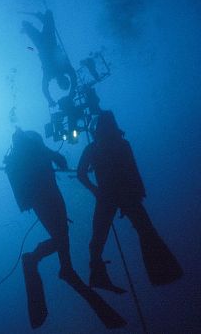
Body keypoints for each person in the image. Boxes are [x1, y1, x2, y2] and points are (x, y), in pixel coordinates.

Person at [4, 128, 126, 330]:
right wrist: (56, 158)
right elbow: (58, 159)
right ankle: (49, 263)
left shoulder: (22, 151)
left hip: (40, 199)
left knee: (60, 235)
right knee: (61, 236)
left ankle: (59, 266)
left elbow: (51, 159)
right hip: (49, 195)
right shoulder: (33, 143)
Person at [77, 111, 183, 292]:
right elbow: (132, 169)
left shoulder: (94, 148)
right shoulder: (120, 144)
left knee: (100, 237)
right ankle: (163, 272)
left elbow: (81, 173)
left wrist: (96, 191)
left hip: (111, 196)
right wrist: (137, 192)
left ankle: (98, 274)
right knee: (145, 231)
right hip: (125, 194)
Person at [20, 10, 77, 107]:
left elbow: (44, 88)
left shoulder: (52, 73)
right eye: (64, 81)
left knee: (26, 23)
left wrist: (50, 100)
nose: (61, 80)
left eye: (61, 82)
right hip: (49, 41)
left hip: (43, 44)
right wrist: (51, 99)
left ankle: (38, 21)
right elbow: (74, 78)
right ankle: (41, 19)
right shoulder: (63, 69)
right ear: (65, 79)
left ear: (59, 83)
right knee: (48, 14)